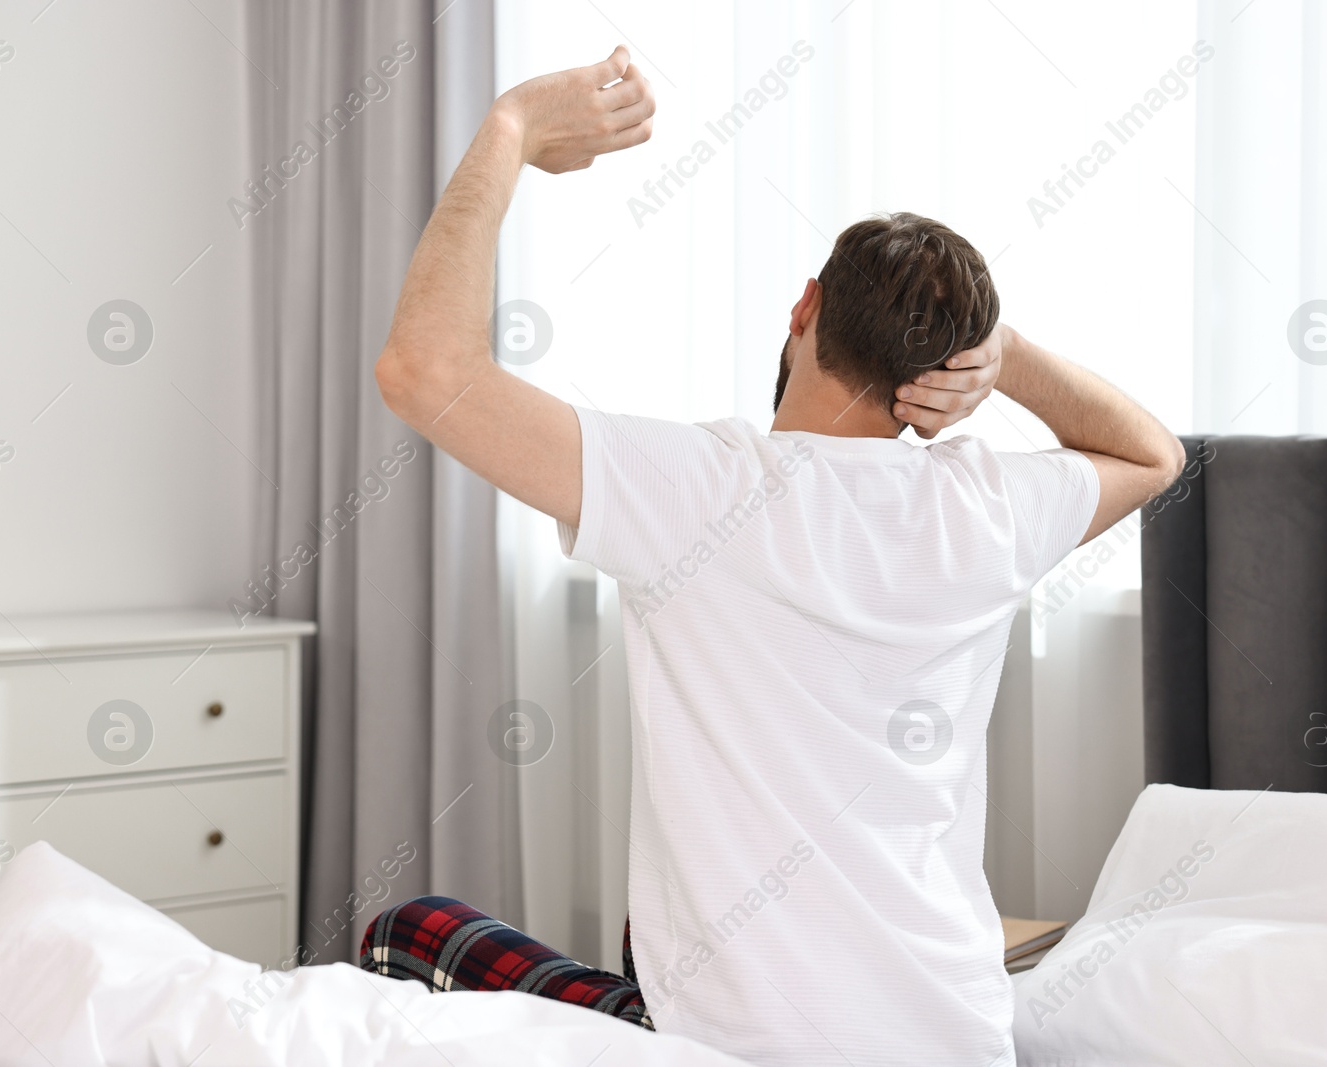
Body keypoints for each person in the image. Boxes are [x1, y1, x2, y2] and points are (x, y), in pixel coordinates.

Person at [363, 45, 1184, 1067]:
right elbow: (1153, 453)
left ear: (805, 308)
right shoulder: (989, 503)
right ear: (944, 371)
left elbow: (422, 367)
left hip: (738, 1043)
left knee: (405, 931)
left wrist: (514, 128)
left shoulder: (694, 485)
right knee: (643, 930)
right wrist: (1005, 357)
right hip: (955, 1037)